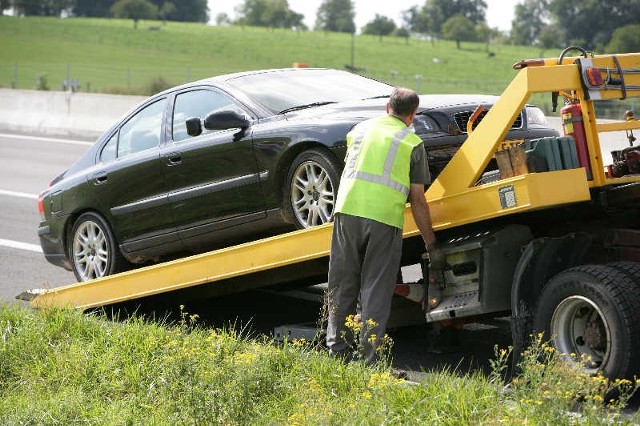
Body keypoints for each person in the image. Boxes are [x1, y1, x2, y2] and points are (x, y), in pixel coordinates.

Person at [325, 87, 444, 365]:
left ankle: (336, 353)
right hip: (384, 220)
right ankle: (367, 360)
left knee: (341, 283)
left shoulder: (358, 130)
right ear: (412, 116)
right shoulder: (411, 142)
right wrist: (431, 243)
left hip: (347, 211)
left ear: (387, 107)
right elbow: (418, 200)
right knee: (375, 289)